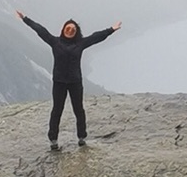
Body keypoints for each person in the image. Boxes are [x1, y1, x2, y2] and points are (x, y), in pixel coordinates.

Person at [16, 11, 122, 146]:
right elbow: (40, 30)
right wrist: (25, 19)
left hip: (75, 82)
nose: (70, 30)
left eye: (73, 29)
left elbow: (96, 37)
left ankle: (82, 137)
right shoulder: (55, 42)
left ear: (76, 32)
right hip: (59, 82)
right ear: (63, 29)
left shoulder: (81, 43)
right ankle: (53, 139)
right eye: (68, 28)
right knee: (57, 110)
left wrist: (111, 30)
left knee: (78, 109)